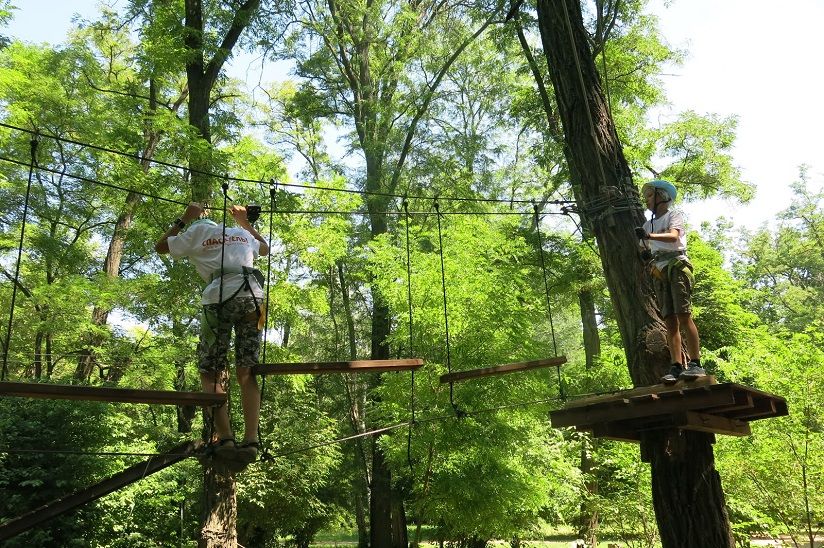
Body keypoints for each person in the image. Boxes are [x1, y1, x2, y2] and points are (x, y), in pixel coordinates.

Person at [155, 202, 269, 467]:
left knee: (211, 371)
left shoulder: (195, 232)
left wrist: (185, 218)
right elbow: (264, 249)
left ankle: (227, 438)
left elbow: (161, 247)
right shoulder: (239, 232)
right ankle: (251, 441)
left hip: (219, 299)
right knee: (247, 370)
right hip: (253, 299)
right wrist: (244, 222)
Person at [635, 180, 706, 384]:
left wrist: (649, 236)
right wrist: (647, 256)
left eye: (649, 195)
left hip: (676, 265)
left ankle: (695, 363)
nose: (646, 200)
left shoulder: (673, 216)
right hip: (660, 269)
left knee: (683, 314)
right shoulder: (647, 224)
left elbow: (674, 237)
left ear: (662, 196)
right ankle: (676, 365)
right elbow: (642, 248)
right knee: (669, 320)